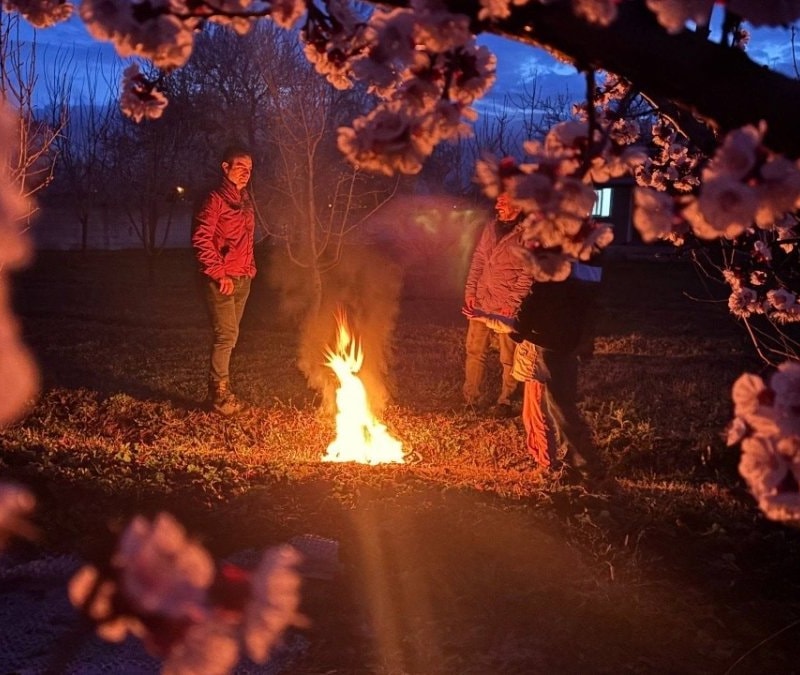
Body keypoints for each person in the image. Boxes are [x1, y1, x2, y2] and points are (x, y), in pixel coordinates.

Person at [512, 258, 605, 481]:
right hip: (568, 339)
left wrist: (518, 328)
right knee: (561, 405)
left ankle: (582, 466)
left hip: (549, 339)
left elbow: (540, 294)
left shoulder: (554, 253)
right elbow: (590, 300)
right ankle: (574, 463)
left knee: (559, 407)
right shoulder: (587, 254)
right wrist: (584, 339)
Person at [192, 145, 255, 416]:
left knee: (231, 336)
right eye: (240, 167)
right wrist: (219, 273)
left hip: (243, 277)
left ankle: (220, 391)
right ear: (225, 167)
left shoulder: (244, 200)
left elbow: (244, 239)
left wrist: (250, 267)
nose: (245, 173)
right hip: (222, 280)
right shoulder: (214, 199)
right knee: (226, 334)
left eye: (249, 169)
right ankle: (218, 395)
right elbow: (201, 238)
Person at [462, 191, 535, 417]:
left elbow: (528, 272)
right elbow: (479, 259)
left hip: (506, 307)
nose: (497, 205)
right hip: (482, 301)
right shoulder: (491, 227)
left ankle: (506, 400)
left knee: (508, 356)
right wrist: (471, 290)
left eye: (503, 201)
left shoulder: (528, 233)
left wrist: (513, 303)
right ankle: (470, 399)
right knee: (474, 351)